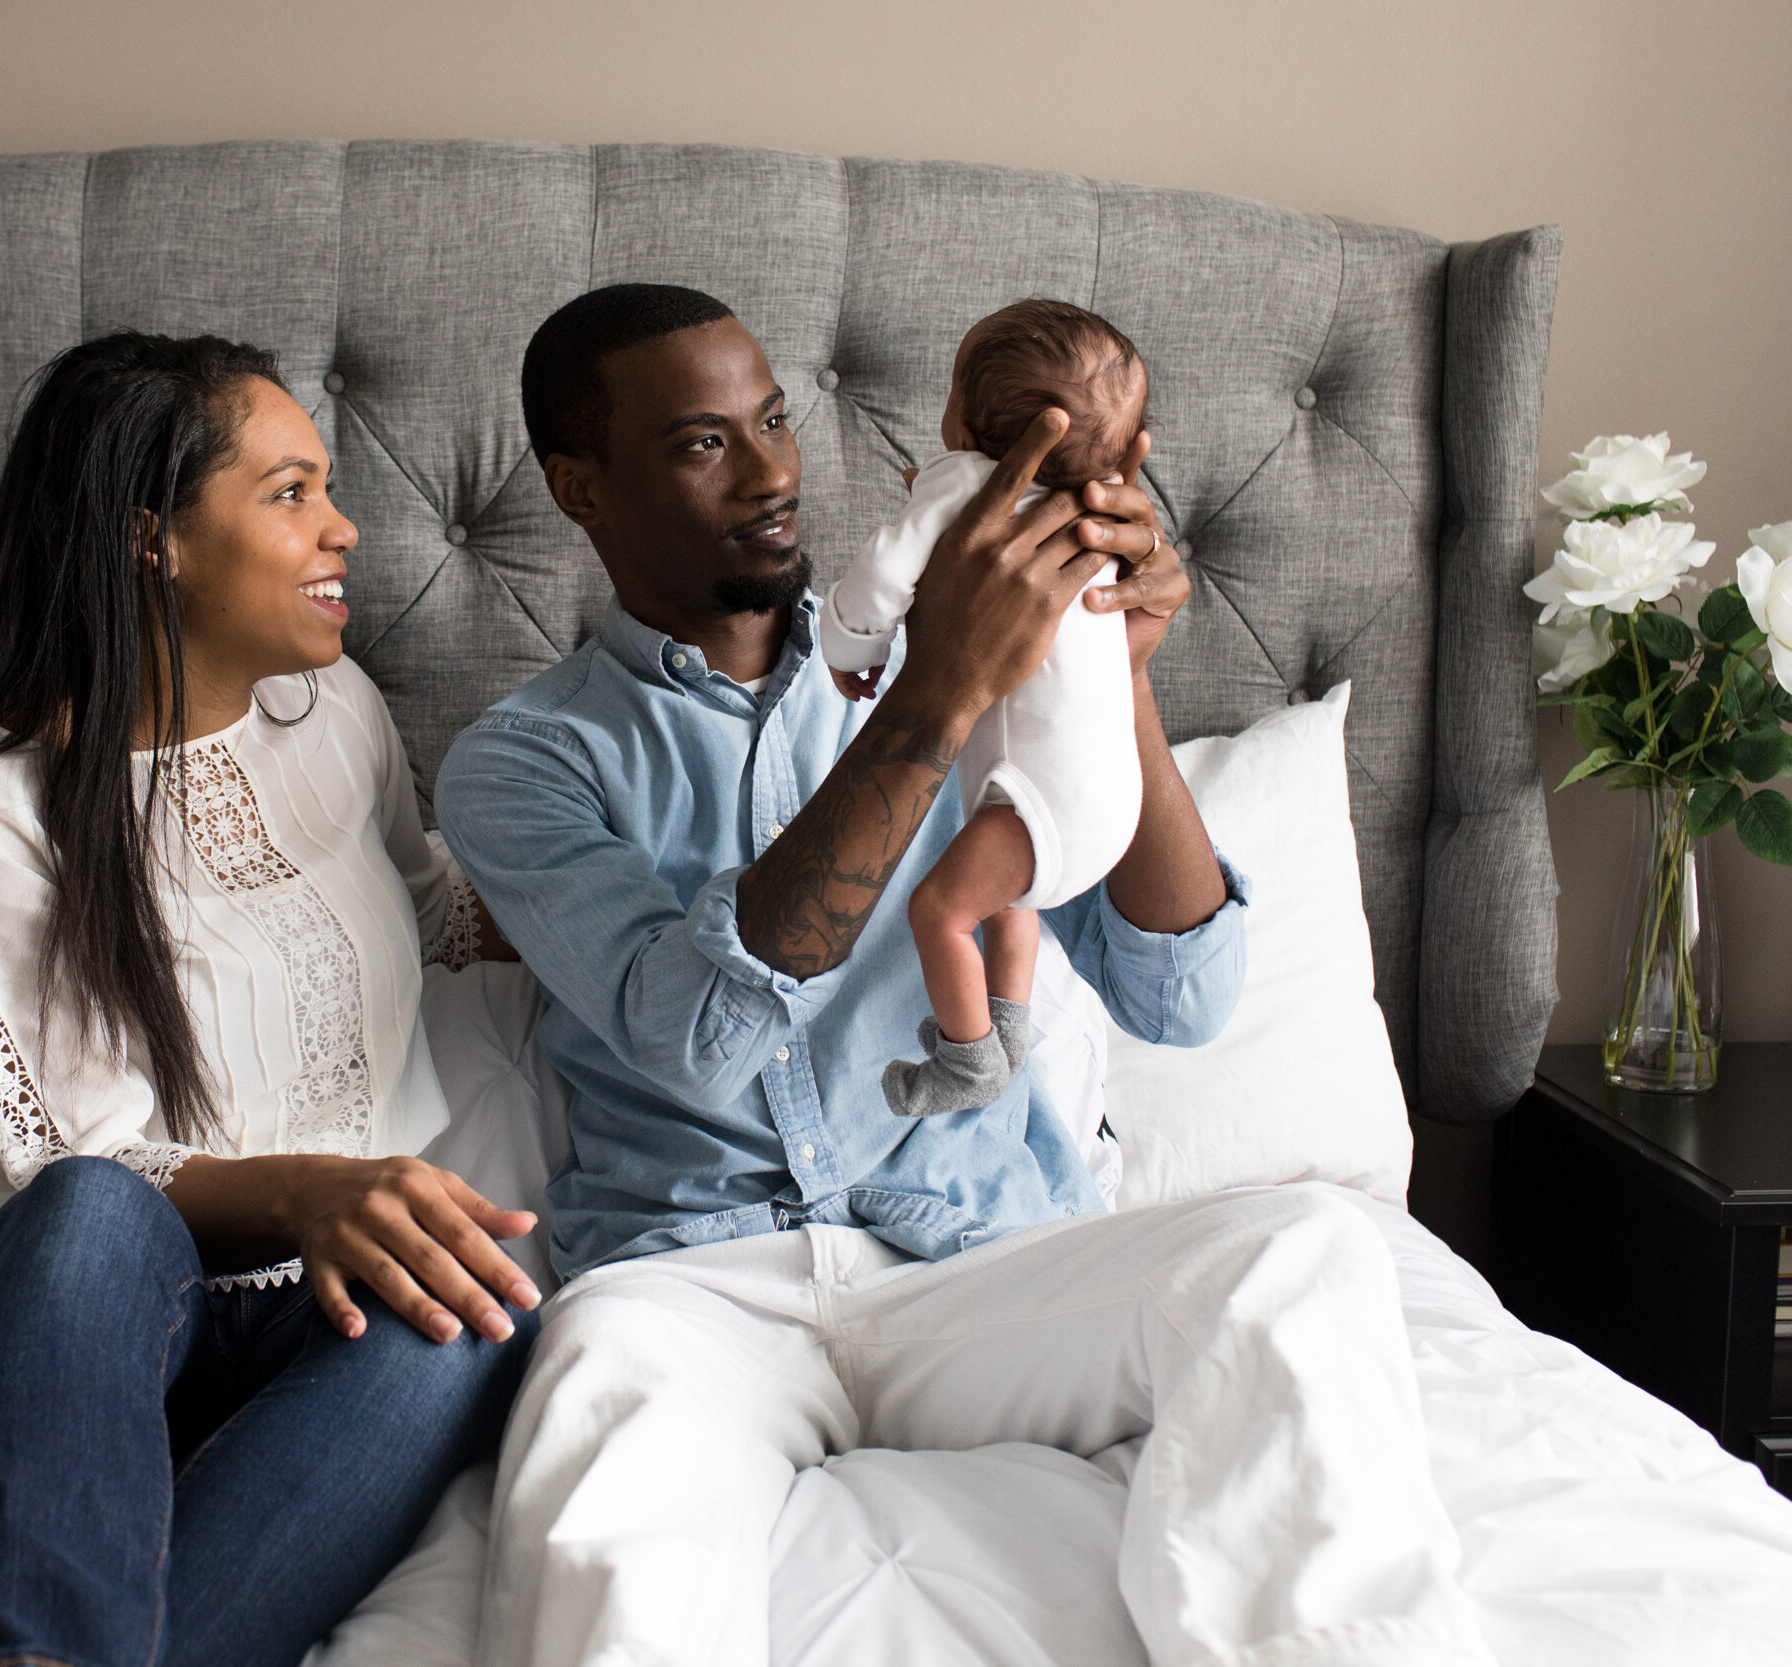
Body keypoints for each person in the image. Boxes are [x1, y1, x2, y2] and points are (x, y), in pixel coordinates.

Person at [436, 284, 1492, 1667]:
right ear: (580, 484)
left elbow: (1182, 995)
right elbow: (694, 1035)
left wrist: (1111, 670)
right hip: (697, 1287)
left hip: (989, 1262)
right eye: (704, 443)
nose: (770, 472)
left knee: (1302, 1250)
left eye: (772, 418)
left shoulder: (987, 634)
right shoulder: (526, 761)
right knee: (592, 1398)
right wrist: (935, 697)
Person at [0, 331, 538, 1667]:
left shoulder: (340, 714)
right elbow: (69, 1158)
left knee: (470, 1309)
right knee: (99, 1212)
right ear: (148, 537)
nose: (343, 527)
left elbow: (441, 911)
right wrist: (308, 1187)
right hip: (54, 1314)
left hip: (313, 1300)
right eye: (290, 492)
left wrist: (671, 899)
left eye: (325, 486)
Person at [821, 299, 1150, 1116]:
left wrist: (851, 645)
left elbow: (886, 569)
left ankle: (966, 1061)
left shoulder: (967, 483)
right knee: (1009, 905)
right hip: (1111, 806)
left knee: (939, 910)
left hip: (1043, 805)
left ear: (963, 423)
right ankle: (1006, 1033)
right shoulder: (1097, 516)